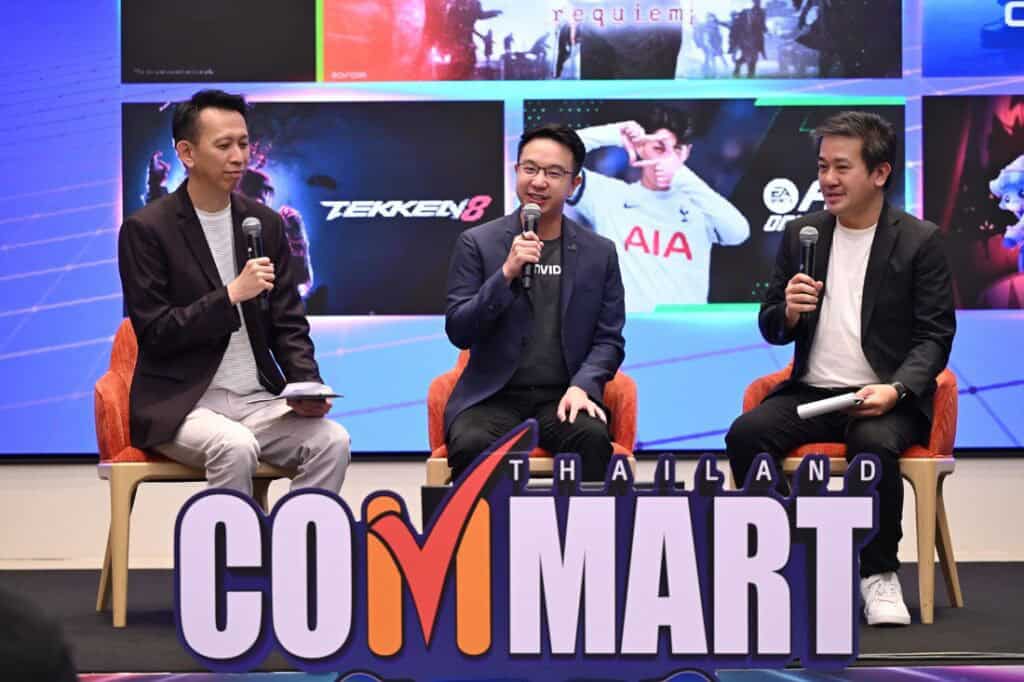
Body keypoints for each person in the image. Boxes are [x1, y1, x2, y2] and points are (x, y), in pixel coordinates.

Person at [724, 111, 956, 625]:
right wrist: (788, 312)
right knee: (745, 435)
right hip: (812, 392)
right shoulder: (802, 234)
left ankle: (877, 573)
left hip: (884, 396)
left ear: (880, 173)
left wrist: (897, 389)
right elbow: (771, 326)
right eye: (822, 166)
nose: (827, 179)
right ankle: (789, 560)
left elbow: (935, 336)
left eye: (842, 167)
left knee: (872, 443)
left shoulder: (919, 241)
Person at [118, 89, 350, 495]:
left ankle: (295, 537)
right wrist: (229, 296)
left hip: (257, 401)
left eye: (243, 143)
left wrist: (306, 386)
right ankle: (232, 541)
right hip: (182, 405)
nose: (239, 156)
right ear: (187, 153)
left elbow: (288, 322)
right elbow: (156, 332)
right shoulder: (147, 230)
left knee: (332, 441)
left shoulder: (264, 224)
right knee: (235, 446)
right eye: (224, 145)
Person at [444, 124, 626, 481]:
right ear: (517, 171)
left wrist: (583, 386)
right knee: (471, 444)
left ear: (574, 184)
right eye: (530, 169)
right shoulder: (477, 243)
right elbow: (459, 330)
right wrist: (505, 275)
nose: (539, 182)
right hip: (492, 397)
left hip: (564, 395)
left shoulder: (599, 253)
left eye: (554, 173)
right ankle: (485, 521)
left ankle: (579, 522)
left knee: (591, 439)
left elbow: (609, 340)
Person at [570, 107, 750, 311]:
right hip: (624, 326)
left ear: (687, 153)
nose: (667, 160)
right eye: (659, 148)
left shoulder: (702, 206)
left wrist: (681, 175)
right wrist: (611, 134)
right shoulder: (608, 195)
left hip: (685, 328)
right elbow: (549, 159)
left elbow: (739, 233)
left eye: (677, 150)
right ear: (640, 147)